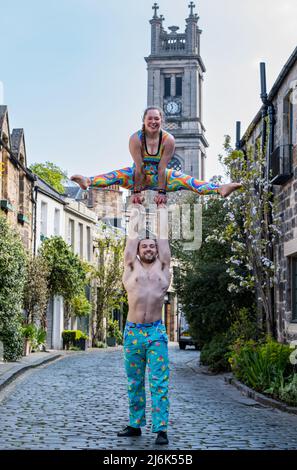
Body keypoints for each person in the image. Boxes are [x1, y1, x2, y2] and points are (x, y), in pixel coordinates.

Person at [70, 106, 242, 204]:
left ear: (161, 121)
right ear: (144, 121)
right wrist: (136, 192)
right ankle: (88, 181)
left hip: (162, 177)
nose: (153, 122)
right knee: (116, 175)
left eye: (156, 119)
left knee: (189, 181)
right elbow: (139, 167)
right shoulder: (136, 139)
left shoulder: (168, 140)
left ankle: (219, 189)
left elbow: (162, 167)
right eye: (150, 119)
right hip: (138, 175)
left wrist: (161, 192)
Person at [118, 204, 171, 446]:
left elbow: (163, 238)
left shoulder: (163, 267)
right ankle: (134, 425)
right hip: (133, 332)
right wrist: (137, 207)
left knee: (159, 382)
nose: (149, 248)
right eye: (144, 246)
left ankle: (161, 429)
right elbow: (131, 239)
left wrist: (161, 210)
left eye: (152, 246)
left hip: (156, 332)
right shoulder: (131, 267)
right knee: (134, 381)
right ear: (138, 251)